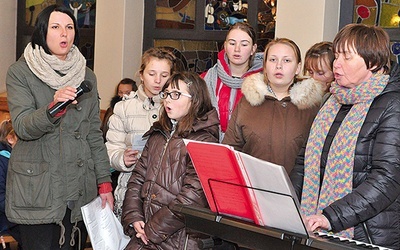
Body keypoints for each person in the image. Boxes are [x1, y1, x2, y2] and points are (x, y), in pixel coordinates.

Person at [5, 4, 113, 250]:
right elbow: (22, 127)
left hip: (78, 187)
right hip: (39, 188)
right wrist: (53, 107)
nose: (64, 33)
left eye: (69, 27)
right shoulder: (21, 72)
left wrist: (104, 182)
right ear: (43, 32)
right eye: (56, 27)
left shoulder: (87, 75)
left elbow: (93, 133)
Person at [289, 24, 400, 249]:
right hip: (318, 229)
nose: (336, 64)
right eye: (336, 56)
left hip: (366, 235)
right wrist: (286, 205)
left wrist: (330, 217)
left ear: (374, 63)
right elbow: (304, 162)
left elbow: (387, 179)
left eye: (346, 57)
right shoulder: (332, 101)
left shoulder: (392, 105)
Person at [122, 71, 220, 249]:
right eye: (166, 94)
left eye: (176, 95)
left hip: (179, 239)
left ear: (195, 100)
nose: (167, 100)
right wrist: (134, 216)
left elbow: (192, 197)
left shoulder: (204, 140)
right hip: (145, 233)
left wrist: (153, 230)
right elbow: (137, 178)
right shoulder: (159, 134)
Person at [222, 38, 325, 174]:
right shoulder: (247, 103)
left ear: (298, 68)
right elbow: (230, 151)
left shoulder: (313, 106)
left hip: (296, 191)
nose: (279, 66)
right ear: (265, 66)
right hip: (252, 189)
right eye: (273, 60)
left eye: (287, 60)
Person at [106, 47, 176, 221]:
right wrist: (122, 158)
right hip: (131, 190)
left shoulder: (178, 107)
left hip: (166, 192)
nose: (157, 80)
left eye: (164, 75)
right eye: (152, 74)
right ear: (141, 74)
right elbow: (111, 148)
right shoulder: (124, 108)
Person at [201, 22, 263, 140]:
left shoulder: (264, 83)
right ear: (225, 46)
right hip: (211, 143)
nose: (237, 49)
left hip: (247, 149)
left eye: (244, 44)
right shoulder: (207, 78)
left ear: (253, 49)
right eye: (232, 43)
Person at [0, 120, 22, 250]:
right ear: (10, 139)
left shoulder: (13, 157)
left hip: (13, 213)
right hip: (6, 217)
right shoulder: (3, 159)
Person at [100, 77, 137, 142]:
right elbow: (103, 131)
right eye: (120, 92)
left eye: (127, 93)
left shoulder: (137, 112)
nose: (123, 96)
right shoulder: (111, 111)